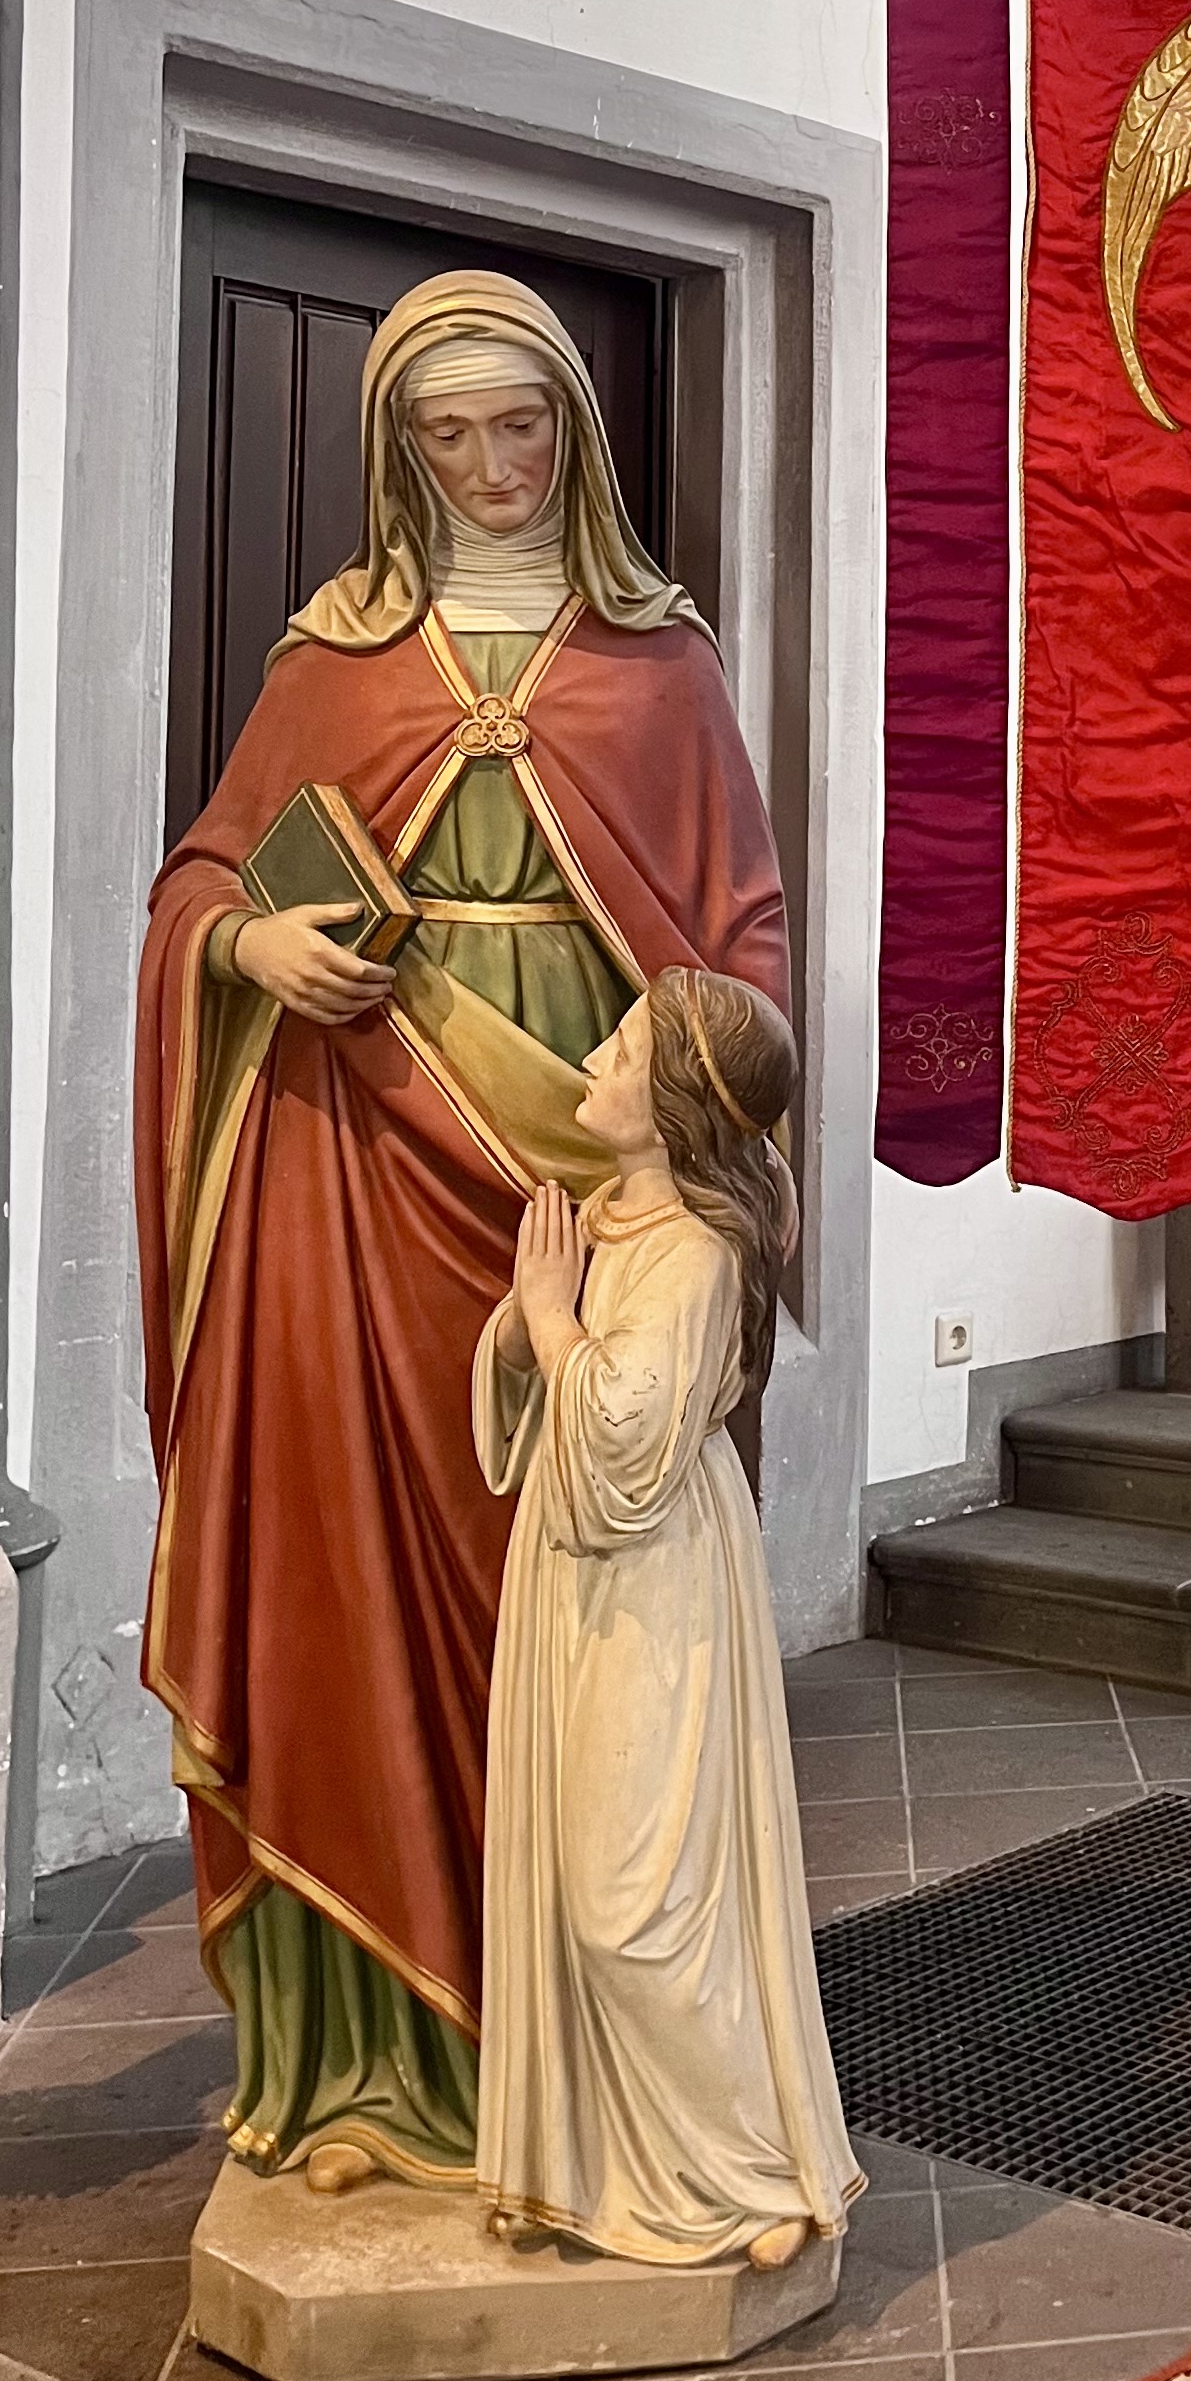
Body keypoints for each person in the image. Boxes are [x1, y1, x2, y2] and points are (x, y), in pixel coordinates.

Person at [135, 270, 790, 2192]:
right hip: (348, 1163)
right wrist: (249, 941)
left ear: (574, 435)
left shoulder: (659, 663)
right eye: (447, 434)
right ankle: (373, 2071)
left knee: (579, 1609)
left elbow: (740, 930)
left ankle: (590, 2064)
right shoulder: (328, 660)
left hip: (593, 1175)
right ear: (392, 451)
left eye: (521, 428)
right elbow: (199, 881)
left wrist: (697, 1120)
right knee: (346, 1583)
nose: (489, 467)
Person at [474, 971, 861, 2271]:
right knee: (570, 1869)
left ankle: (750, 2172)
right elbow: (556, 1395)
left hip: (654, 1588)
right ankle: (590, 2166)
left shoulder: (695, 1254)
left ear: (674, 1101)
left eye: (625, 1047)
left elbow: (629, 1452)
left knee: (631, 1903)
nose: (594, 1052)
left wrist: (545, 1314)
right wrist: (527, 1335)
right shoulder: (617, 1219)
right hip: (576, 1574)